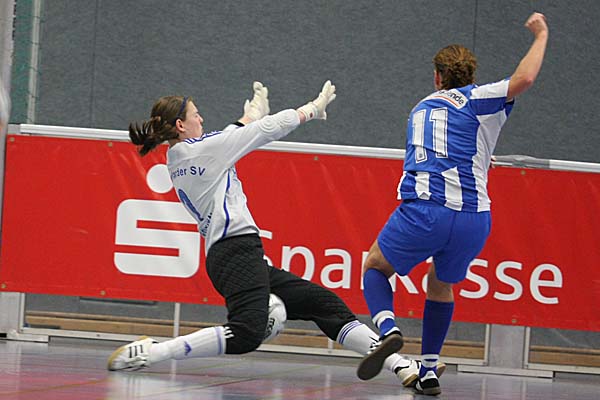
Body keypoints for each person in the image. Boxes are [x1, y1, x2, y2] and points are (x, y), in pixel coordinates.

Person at [108, 80, 443, 387]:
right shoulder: (201, 149)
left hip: (236, 255)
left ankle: (404, 367)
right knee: (246, 333)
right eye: (196, 114)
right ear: (181, 125)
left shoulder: (182, 156)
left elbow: (232, 135)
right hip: (235, 252)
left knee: (324, 305)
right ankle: (152, 352)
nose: (201, 118)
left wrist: (251, 114)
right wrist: (311, 109)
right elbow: (264, 131)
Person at [357, 12, 549, 396]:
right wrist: (541, 35)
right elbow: (524, 80)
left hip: (425, 210)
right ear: (471, 75)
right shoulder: (480, 98)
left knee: (375, 265)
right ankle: (429, 371)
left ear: (437, 77)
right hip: (474, 218)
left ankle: (388, 330)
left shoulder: (420, 108)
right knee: (440, 283)